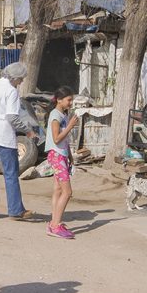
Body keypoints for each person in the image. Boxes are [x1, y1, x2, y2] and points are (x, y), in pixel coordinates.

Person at [0, 62, 39, 220]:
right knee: (10, 174)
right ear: (15, 78)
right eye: (21, 79)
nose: (21, 82)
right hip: (3, 137)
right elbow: (12, 118)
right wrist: (28, 131)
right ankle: (16, 211)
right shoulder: (11, 91)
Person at [46, 86, 79, 239]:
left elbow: (63, 140)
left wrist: (70, 155)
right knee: (67, 192)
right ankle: (55, 226)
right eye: (69, 100)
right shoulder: (56, 116)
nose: (71, 103)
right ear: (59, 100)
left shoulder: (62, 114)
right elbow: (57, 138)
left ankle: (54, 221)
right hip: (57, 156)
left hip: (62, 155)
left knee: (58, 190)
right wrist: (71, 126)